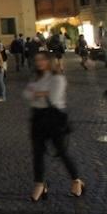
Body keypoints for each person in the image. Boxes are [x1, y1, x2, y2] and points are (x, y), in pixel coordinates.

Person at [24, 51, 84, 202]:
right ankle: (39, 184)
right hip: (37, 117)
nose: (39, 63)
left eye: (42, 60)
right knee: (37, 153)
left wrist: (36, 93)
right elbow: (26, 95)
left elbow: (53, 97)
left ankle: (76, 181)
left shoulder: (58, 78)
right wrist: (41, 93)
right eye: (37, 60)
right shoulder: (35, 77)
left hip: (54, 119)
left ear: (50, 61)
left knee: (62, 152)